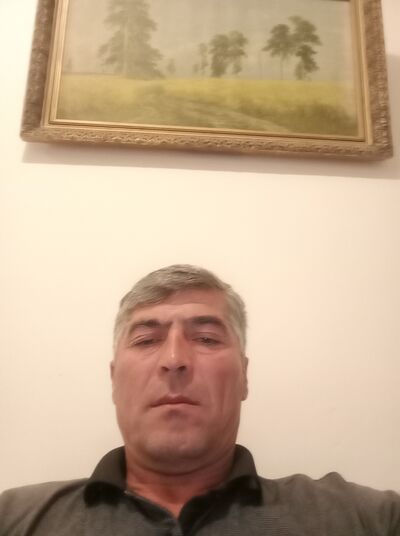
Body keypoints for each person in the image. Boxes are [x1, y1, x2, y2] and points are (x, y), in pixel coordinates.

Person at [1, 264, 399, 535]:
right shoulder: (15, 518)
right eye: (147, 340)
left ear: (244, 376)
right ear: (113, 380)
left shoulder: (367, 519)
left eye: (207, 338)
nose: (174, 359)